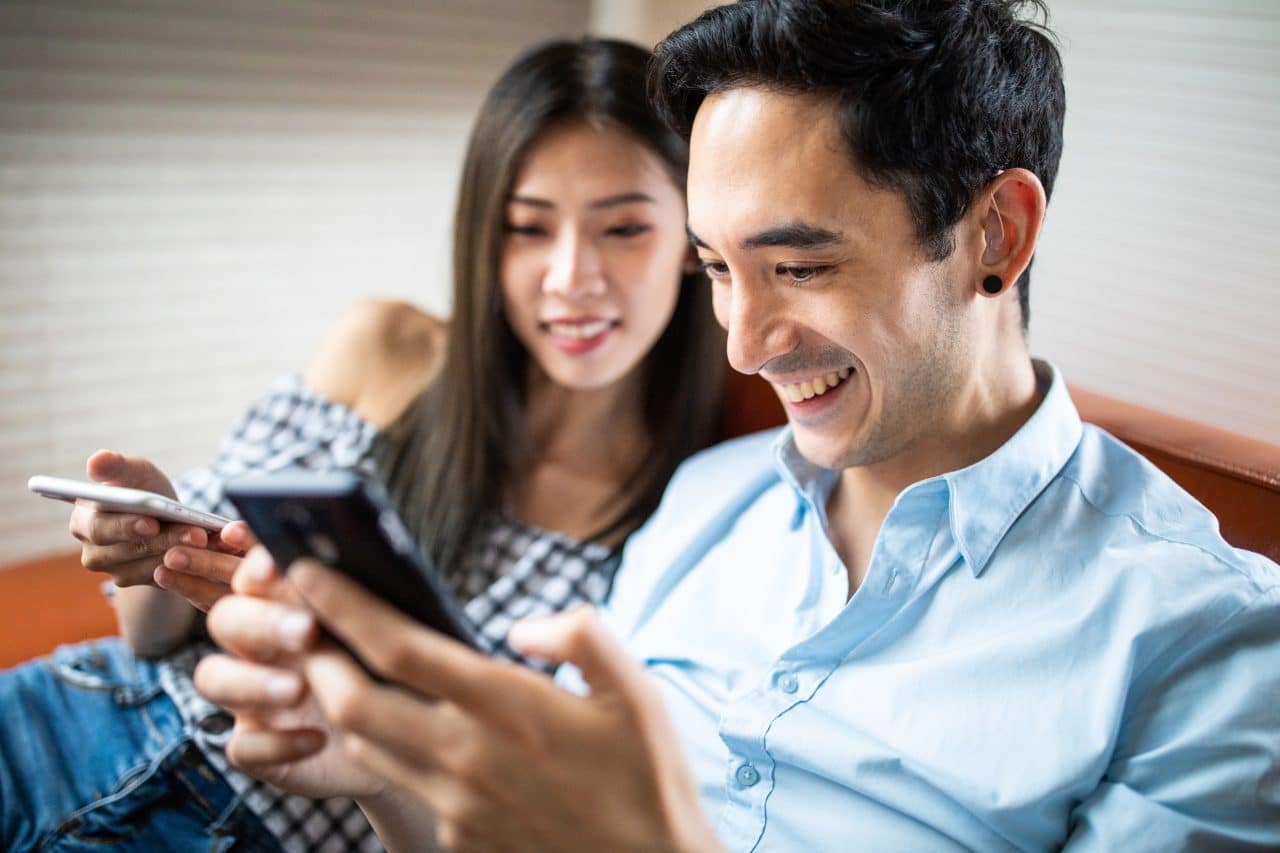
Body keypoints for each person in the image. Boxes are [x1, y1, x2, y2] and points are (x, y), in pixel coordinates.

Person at [195, 1, 1280, 850]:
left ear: (994, 231)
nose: (742, 347)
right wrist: (391, 771)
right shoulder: (705, 501)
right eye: (717, 269)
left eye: (799, 266)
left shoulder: (1209, 645)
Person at [0, 37, 723, 852]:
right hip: (73, 714)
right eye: (527, 229)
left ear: (698, 241)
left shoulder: (689, 517)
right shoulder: (385, 347)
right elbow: (150, 634)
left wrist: (372, 741)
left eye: (623, 228)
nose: (569, 276)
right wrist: (150, 546)